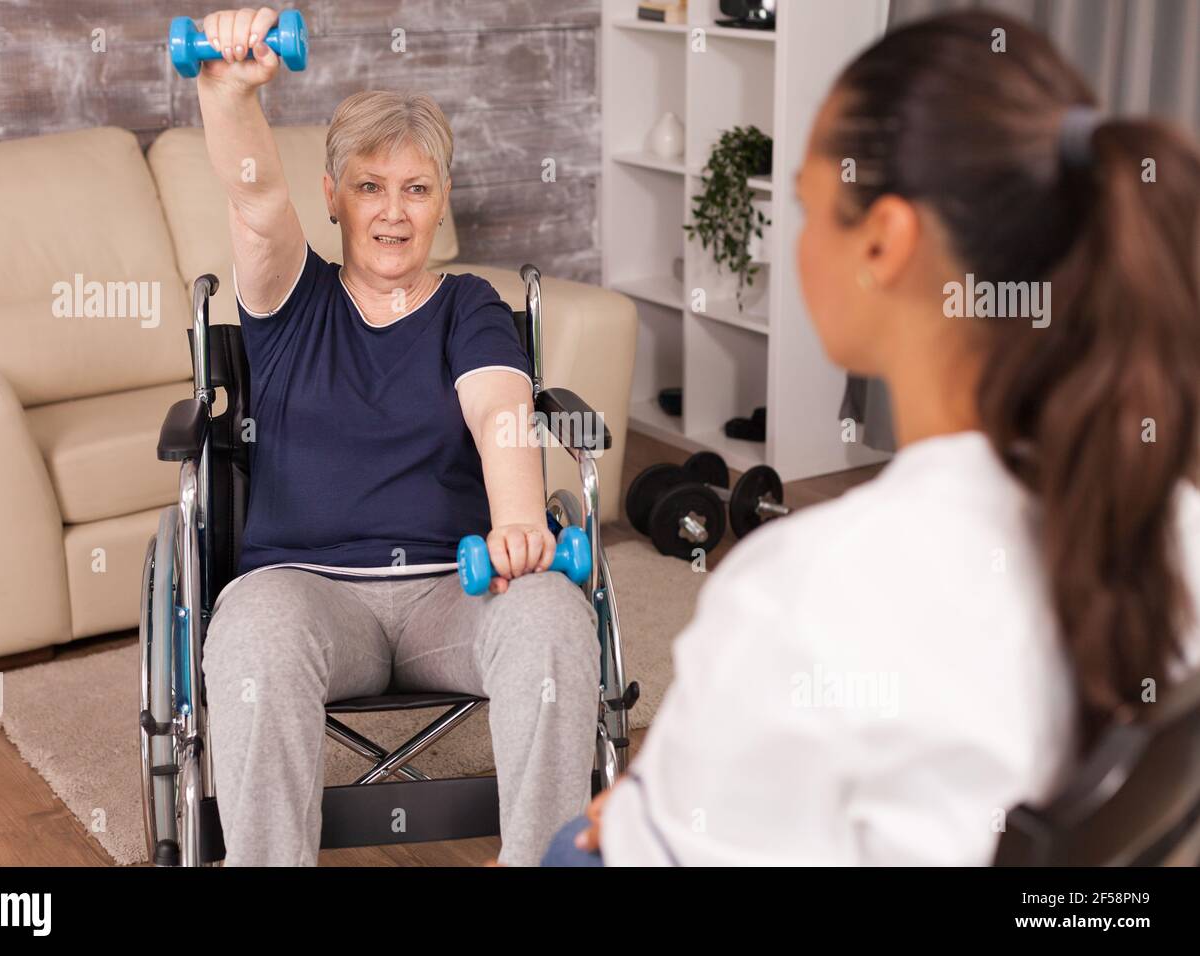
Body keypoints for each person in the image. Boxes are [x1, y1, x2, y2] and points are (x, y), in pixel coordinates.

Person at [546, 11, 1200, 866]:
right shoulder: (1177, 524)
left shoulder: (800, 595)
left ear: (886, 241)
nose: (799, 242)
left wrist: (632, 817)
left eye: (810, 208)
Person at [192, 7, 600, 866]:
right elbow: (255, 193)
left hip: (456, 587)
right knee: (252, 632)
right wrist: (228, 91)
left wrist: (520, 519)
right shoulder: (291, 298)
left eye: (415, 189)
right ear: (334, 197)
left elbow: (499, 410)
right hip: (308, 592)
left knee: (555, 617)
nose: (393, 212)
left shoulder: (468, 307)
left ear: (441, 201)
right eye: (370, 187)